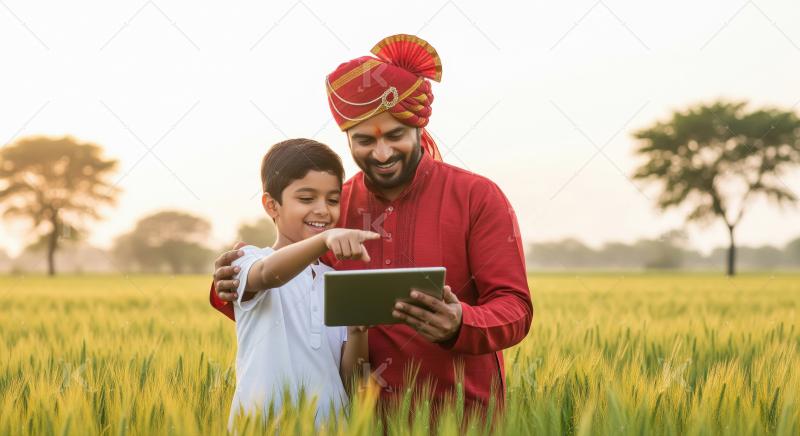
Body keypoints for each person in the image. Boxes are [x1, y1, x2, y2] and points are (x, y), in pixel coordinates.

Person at [212, 34, 533, 414]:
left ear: (419, 129)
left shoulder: (476, 197)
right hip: (359, 420)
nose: (381, 153)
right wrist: (226, 285)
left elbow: (515, 308)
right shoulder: (333, 210)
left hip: (461, 414)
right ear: (347, 139)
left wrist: (461, 322)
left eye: (396, 135)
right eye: (364, 140)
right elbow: (287, 295)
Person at [227, 138, 377, 427]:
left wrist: (359, 330)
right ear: (272, 205)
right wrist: (324, 240)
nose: (323, 210)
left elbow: (353, 381)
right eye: (307, 199)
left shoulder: (336, 283)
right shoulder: (247, 259)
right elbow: (268, 274)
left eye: (332, 200)